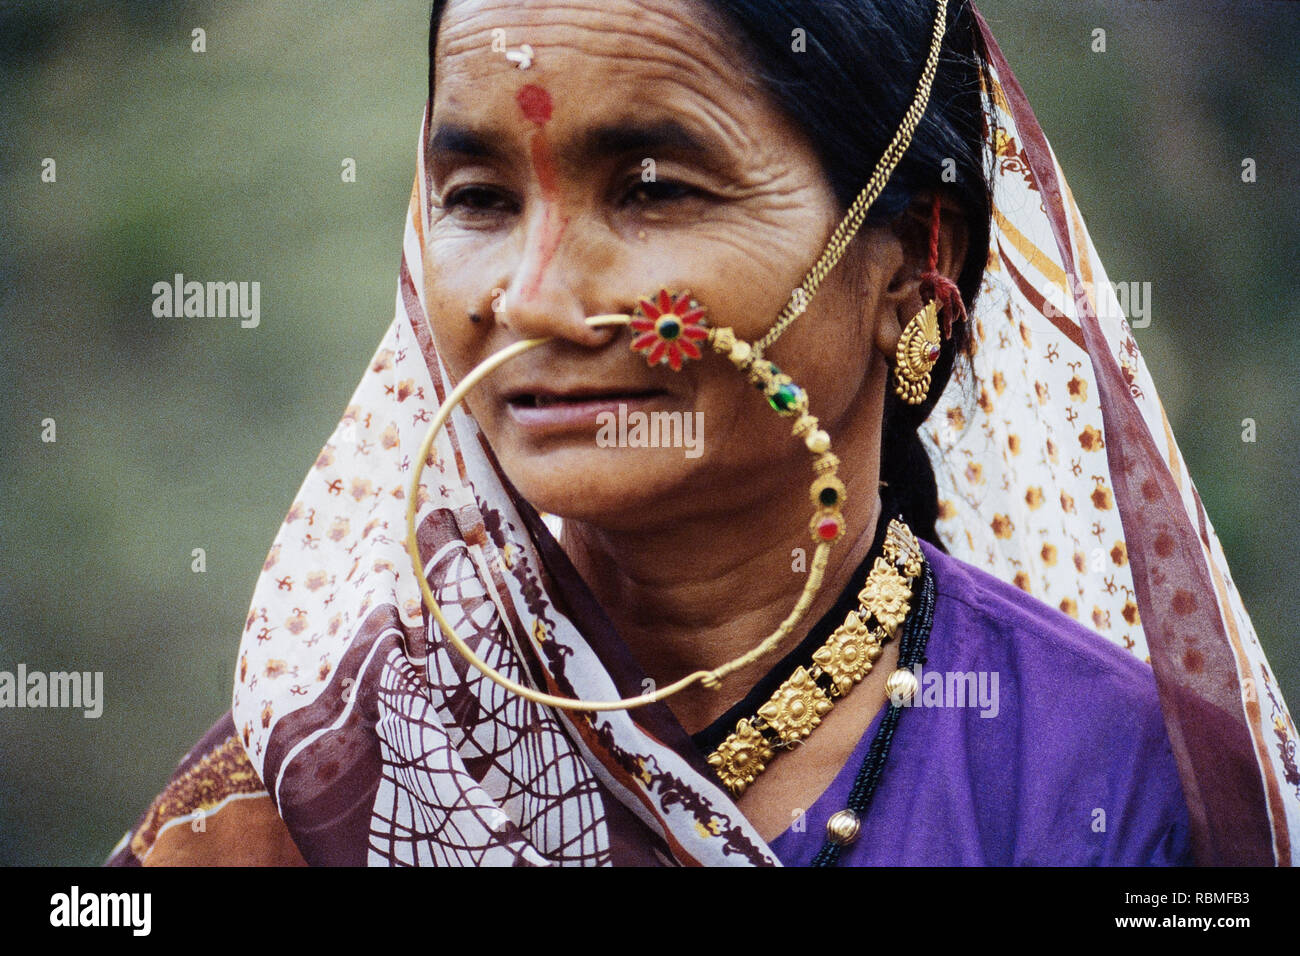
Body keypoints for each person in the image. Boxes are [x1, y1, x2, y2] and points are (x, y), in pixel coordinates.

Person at [107, 0, 1298, 867]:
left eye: (653, 189)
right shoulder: (330, 765)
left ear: (914, 259)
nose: (529, 298)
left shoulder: (1123, 786)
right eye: (477, 198)